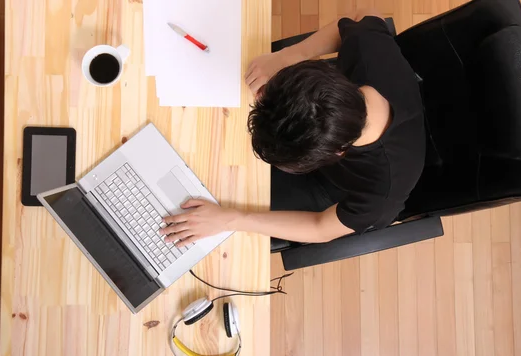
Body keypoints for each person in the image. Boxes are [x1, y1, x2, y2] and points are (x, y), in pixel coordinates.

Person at [159, 10, 426, 247]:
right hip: (318, 145)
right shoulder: (369, 51)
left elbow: (321, 228)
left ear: (339, 153)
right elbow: (363, 16)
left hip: (331, 188)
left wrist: (231, 219)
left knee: (211, 192)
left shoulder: (381, 194)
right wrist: (287, 56)